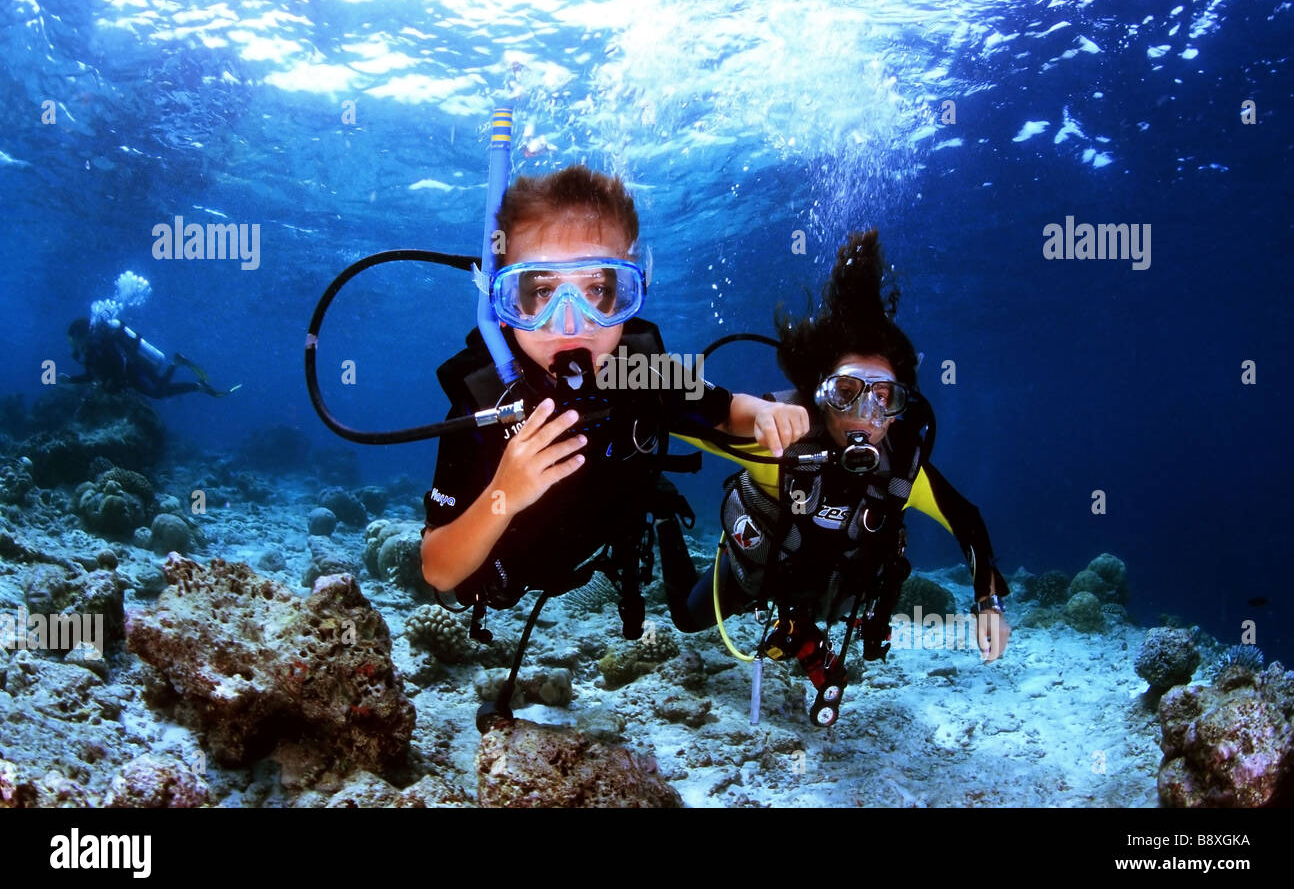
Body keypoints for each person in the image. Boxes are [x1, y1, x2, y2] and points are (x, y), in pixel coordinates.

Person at [418, 165, 806, 726]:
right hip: (515, 572)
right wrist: (506, 490)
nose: (571, 322)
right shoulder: (484, 406)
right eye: (541, 291)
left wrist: (767, 412)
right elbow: (439, 570)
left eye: (600, 291)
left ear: (634, 288)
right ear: (502, 299)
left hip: (609, 541)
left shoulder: (640, 369)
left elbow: (726, 411)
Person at [665, 229, 1011, 726]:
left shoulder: (900, 473)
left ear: (898, 410)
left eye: (884, 397)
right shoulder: (780, 446)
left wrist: (988, 600)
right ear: (820, 397)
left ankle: (801, 631)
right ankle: (664, 522)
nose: (866, 415)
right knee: (684, 618)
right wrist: (745, 411)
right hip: (756, 572)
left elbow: (966, 520)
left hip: (834, 590)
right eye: (847, 391)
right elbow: (672, 406)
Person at [64, 317, 240, 399]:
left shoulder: (99, 345)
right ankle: (192, 380)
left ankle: (178, 367)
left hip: (134, 369)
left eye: (74, 339)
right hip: (136, 366)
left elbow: (119, 362)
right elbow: (90, 374)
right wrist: (70, 380)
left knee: (159, 391)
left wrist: (115, 383)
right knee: (161, 389)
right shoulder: (92, 349)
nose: (73, 345)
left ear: (82, 335)